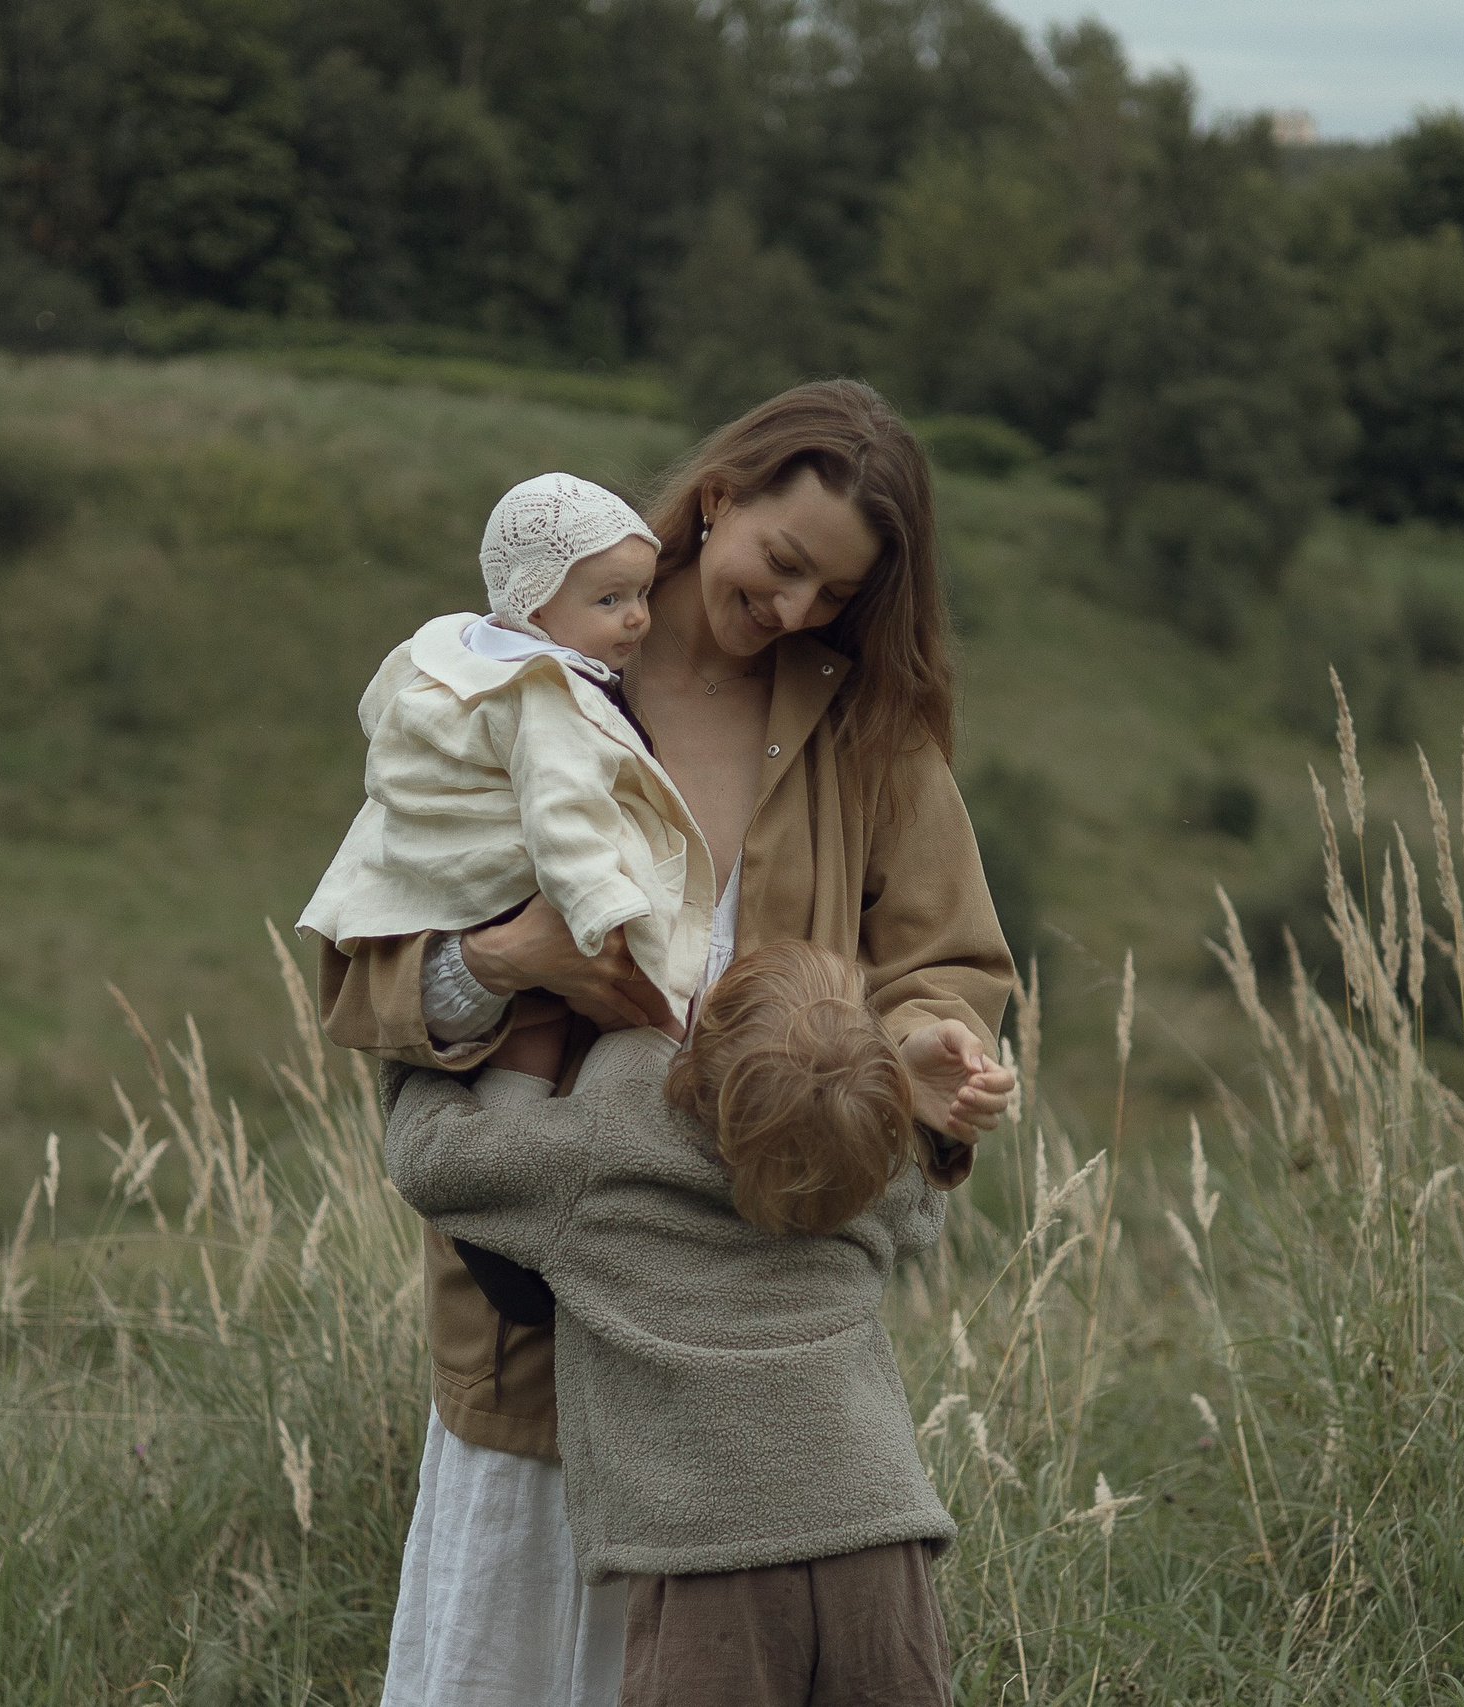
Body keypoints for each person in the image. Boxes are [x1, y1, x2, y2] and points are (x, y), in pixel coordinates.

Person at [318, 381, 1017, 1707]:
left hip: (750, 1324)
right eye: (784, 564)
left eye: (838, 595)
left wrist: (932, 1055)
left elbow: (943, 962)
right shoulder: (516, 675)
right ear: (717, 500)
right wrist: (513, 960)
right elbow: (366, 974)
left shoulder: (866, 723)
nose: (801, 611)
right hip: (544, 1299)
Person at [381, 942, 971, 1706]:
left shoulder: (609, 1150)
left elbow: (432, 1159)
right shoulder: (868, 1168)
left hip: (711, 1555)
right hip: (881, 1538)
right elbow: (927, 1196)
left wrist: (414, 1053)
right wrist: (917, 1111)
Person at [301, 471, 714, 1093]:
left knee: (530, 1035)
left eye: (643, 595)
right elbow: (562, 810)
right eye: (609, 601)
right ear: (537, 605)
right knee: (640, 1003)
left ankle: (512, 1119)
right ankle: (672, 1056)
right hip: (538, 886)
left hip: (461, 878)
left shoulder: (454, 651)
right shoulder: (547, 693)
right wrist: (604, 905)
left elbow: (380, 709)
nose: (636, 619)